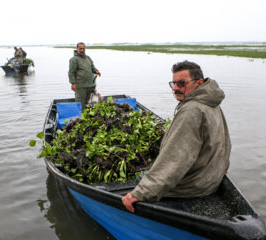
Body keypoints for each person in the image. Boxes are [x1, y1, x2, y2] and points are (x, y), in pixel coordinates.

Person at [122, 60, 231, 213]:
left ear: (198, 83)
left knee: (141, 179)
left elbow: (175, 159)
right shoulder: (211, 101)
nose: (175, 88)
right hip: (211, 179)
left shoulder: (191, 110)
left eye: (181, 83)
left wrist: (140, 193)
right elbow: (225, 139)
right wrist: (223, 166)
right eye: (173, 84)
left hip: (193, 187)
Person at [68, 42, 101, 107]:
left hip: (90, 85)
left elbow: (92, 67)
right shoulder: (74, 59)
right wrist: (73, 83)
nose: (82, 50)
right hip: (80, 86)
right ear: (77, 49)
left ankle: (87, 116)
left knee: (89, 103)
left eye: (83, 48)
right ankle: (80, 116)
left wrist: (96, 71)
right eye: (80, 48)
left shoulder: (88, 58)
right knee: (80, 104)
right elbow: (71, 72)